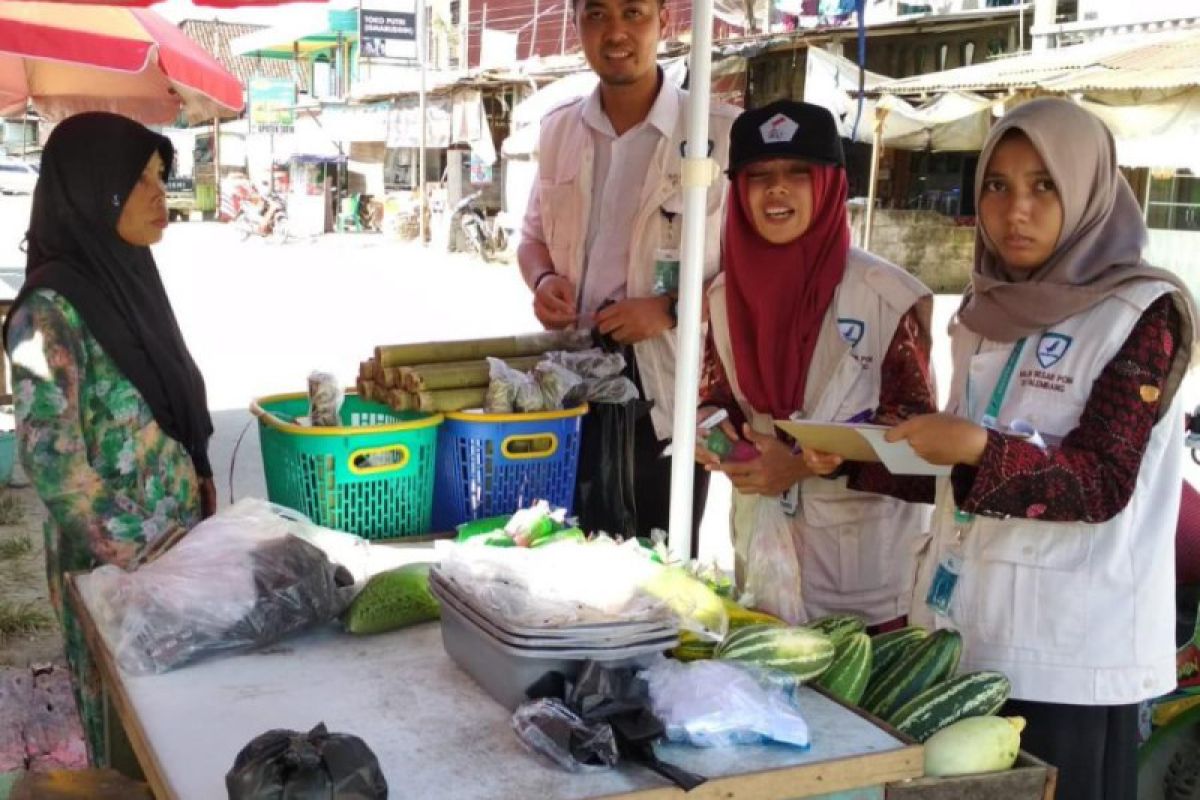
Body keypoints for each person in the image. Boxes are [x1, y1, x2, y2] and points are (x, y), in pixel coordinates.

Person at [805, 97, 1196, 800]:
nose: (1017, 209)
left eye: (1044, 185)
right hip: (969, 631)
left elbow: (1102, 481)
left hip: (1072, 651)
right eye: (998, 185)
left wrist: (979, 445)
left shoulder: (1142, 311)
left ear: (1087, 188)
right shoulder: (985, 310)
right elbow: (962, 470)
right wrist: (856, 457)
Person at [4, 112, 216, 764]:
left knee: (185, 733)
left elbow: (173, 404)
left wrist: (199, 494)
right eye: (141, 182)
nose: (163, 198)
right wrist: (150, 557)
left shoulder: (130, 280)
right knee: (131, 739)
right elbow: (50, 458)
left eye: (160, 178)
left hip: (176, 566)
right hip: (114, 579)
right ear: (96, 191)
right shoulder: (41, 318)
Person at [697, 100, 936, 627]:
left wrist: (803, 461)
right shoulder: (722, 297)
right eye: (758, 176)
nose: (776, 189)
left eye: (797, 174)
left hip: (863, 585)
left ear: (830, 185)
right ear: (737, 193)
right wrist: (721, 445)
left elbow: (922, 452)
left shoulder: (885, 298)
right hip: (761, 561)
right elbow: (713, 402)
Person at [518, 0, 738, 548]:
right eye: (596, 15)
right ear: (576, 24)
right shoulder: (558, 130)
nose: (615, 32)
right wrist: (544, 281)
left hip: (667, 378)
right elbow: (530, 239)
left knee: (659, 556)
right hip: (570, 374)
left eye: (633, 13)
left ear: (665, 21)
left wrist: (669, 309)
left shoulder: (720, 133)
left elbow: (754, 273)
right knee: (565, 543)